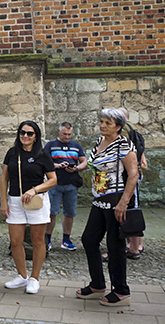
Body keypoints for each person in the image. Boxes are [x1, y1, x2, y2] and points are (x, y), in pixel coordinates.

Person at [75, 108, 139, 306]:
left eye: (108, 123)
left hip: (115, 201)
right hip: (99, 200)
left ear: (119, 127)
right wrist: (76, 167)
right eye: (102, 121)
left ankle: (121, 291)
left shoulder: (125, 146)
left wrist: (123, 202)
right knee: (89, 239)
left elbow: (134, 175)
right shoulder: (100, 142)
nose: (102, 125)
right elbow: (94, 163)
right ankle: (97, 284)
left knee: (115, 245)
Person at [0, 121, 57, 294]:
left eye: (29, 133)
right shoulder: (12, 153)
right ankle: (21, 276)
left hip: (36, 201)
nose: (25, 136)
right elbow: (4, 178)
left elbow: (53, 180)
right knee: (16, 241)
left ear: (36, 136)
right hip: (16, 200)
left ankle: (34, 278)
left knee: (38, 240)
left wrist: (34, 190)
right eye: (22, 133)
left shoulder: (42, 154)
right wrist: (3, 201)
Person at [42, 122, 87, 252]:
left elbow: (85, 162)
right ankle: (48, 239)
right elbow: (44, 161)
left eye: (69, 134)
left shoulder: (76, 146)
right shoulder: (50, 145)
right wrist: (57, 166)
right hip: (55, 184)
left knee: (70, 213)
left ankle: (66, 240)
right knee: (52, 213)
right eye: (64, 134)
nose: (67, 137)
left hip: (71, 184)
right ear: (59, 131)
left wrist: (76, 168)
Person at [120, 108, 148, 260]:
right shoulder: (134, 131)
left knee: (132, 210)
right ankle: (134, 244)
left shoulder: (126, 131)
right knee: (132, 208)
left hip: (129, 176)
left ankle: (134, 248)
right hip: (131, 175)